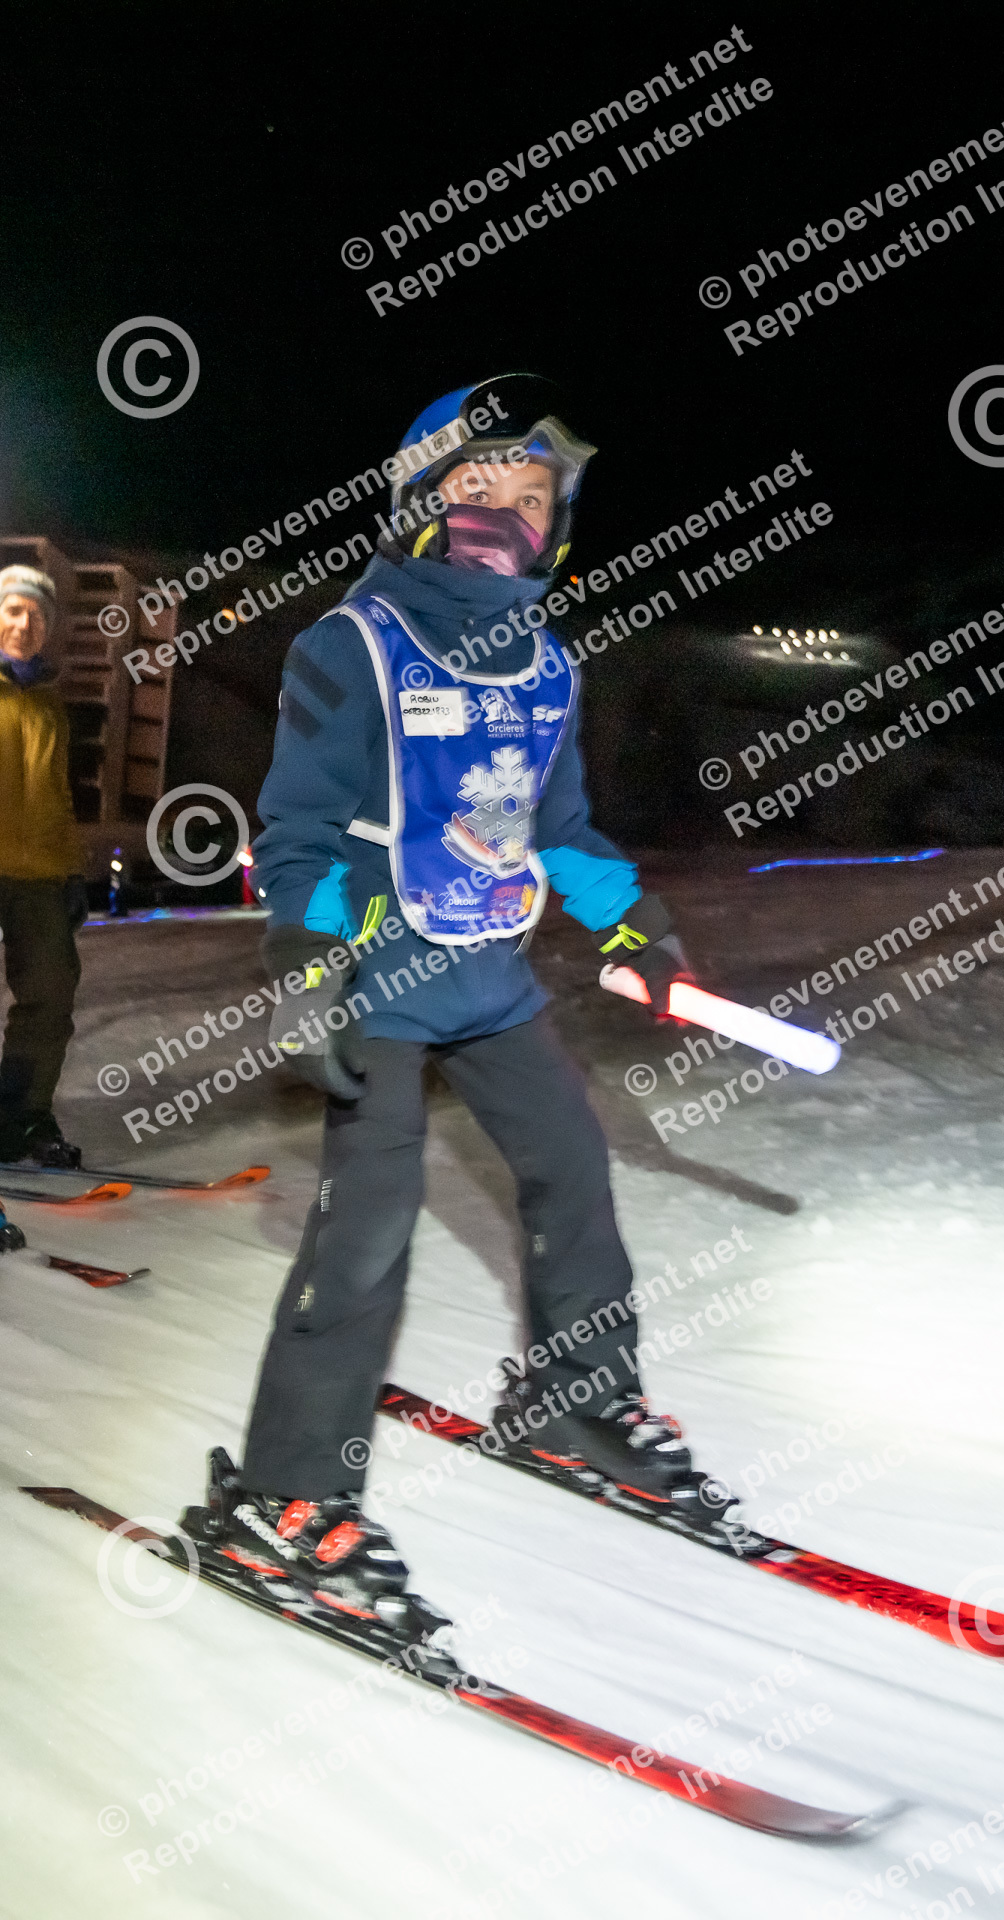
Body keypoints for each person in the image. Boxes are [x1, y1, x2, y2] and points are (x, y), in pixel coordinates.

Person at [203, 376, 735, 1622]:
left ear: (559, 524)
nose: (504, 511)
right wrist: (308, 965)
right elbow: (299, 829)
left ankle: (574, 1402)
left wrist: (636, 925)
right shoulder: (351, 645)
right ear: (418, 501)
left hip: (491, 980)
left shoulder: (549, 663)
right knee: (367, 1232)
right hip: (379, 989)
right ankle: (286, 1494)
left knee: (572, 1168)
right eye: (476, 486)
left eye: (531, 494)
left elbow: (561, 827)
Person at [0, 564, 88, 1169]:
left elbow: (57, 796)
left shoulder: (51, 704)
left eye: (36, 616)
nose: (24, 624)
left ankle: (19, 1115)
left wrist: (72, 870)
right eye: (13, 610)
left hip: (38, 874)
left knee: (50, 995)